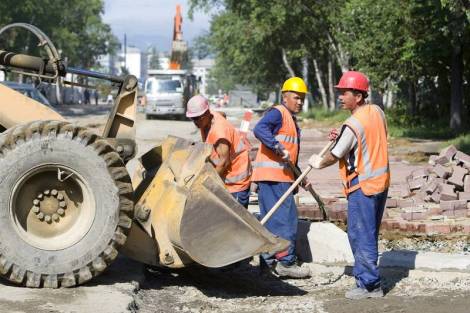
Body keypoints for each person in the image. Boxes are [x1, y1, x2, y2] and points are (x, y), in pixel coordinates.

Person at [308, 71, 390, 299]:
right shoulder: (377, 112)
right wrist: (342, 133)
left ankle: (369, 285)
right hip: (381, 183)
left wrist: (318, 162)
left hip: (362, 186)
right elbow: (366, 137)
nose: (341, 97)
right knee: (369, 233)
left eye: (345, 93)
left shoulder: (353, 123)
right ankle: (370, 279)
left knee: (359, 234)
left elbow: (335, 155)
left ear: (359, 96)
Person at [251, 77, 310, 279]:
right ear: (285, 97)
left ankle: (267, 263)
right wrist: (276, 147)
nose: (300, 102)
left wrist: (299, 176)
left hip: (277, 177)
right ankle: (285, 262)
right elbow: (259, 129)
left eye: (302, 98)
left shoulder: (289, 119)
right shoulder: (278, 113)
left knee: (271, 221)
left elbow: (288, 156)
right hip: (274, 177)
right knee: (286, 220)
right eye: (296, 97)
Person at [186, 95, 252, 208]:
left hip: (235, 181)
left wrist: (205, 183)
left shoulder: (220, 132)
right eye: (193, 118)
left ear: (207, 113)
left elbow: (224, 163)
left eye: (198, 118)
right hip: (224, 178)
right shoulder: (209, 118)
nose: (195, 122)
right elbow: (222, 114)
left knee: (234, 221)